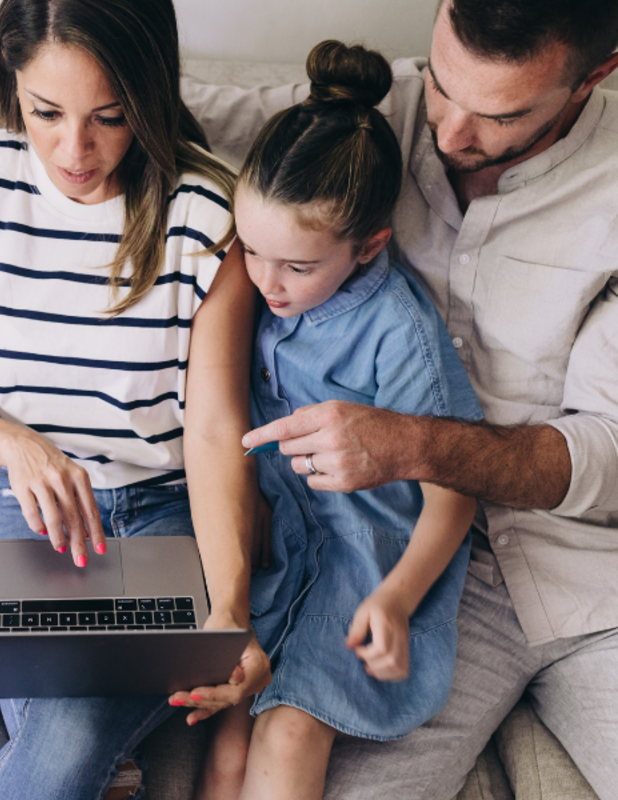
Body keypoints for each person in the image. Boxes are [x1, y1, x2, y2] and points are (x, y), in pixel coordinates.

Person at [172, 1, 618, 797]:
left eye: (499, 113)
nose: (445, 135)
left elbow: (606, 450)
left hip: (570, 571)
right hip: (356, 562)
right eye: (443, 85)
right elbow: (175, 113)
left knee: (293, 728)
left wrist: (414, 449)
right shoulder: (364, 116)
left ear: (595, 76)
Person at [0, 0, 269, 797]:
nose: (75, 150)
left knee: (71, 735)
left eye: (109, 117)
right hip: (32, 506)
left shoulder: (209, 215)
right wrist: (14, 445)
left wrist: (228, 608)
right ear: (9, 86)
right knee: (74, 742)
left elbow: (215, 430)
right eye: (45, 113)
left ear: (147, 98)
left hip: (168, 511)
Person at [180, 41, 482, 800]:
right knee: (223, 734)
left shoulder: (397, 330)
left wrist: (397, 599)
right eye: (251, 251)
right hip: (276, 536)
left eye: (298, 266)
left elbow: (455, 489)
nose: (266, 283)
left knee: (288, 730)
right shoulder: (253, 284)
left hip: (365, 554)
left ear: (368, 245)